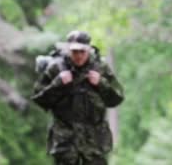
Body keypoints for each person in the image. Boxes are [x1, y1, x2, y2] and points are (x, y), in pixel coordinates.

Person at [32, 31, 124, 165]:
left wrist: (101, 83)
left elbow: (116, 98)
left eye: (82, 51)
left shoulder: (100, 68)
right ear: (68, 50)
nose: (79, 56)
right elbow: (40, 100)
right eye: (75, 51)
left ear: (88, 50)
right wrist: (57, 84)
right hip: (65, 140)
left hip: (94, 139)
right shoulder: (56, 67)